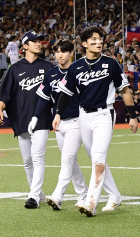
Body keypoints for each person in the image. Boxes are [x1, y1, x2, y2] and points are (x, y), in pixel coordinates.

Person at [55, 26, 139, 217]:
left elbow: (125, 91)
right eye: (93, 40)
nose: (98, 42)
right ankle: (115, 195)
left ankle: (91, 202)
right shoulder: (76, 67)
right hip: (83, 116)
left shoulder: (111, 63)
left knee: (99, 156)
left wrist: (132, 115)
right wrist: (58, 113)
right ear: (84, 44)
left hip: (104, 114)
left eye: (100, 39)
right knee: (96, 159)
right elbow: (66, 93)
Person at [0, 31, 54, 209]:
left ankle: (33, 196)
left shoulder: (48, 67)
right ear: (24, 46)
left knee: (37, 157)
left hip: (41, 119)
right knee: (27, 159)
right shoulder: (15, 68)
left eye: (39, 41)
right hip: (21, 119)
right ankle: (38, 193)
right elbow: (5, 93)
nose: (38, 43)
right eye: (33, 41)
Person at [31, 39, 87, 210]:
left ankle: (58, 196)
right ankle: (83, 193)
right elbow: (44, 98)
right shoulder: (51, 73)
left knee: (67, 159)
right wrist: (35, 117)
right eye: (57, 52)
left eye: (63, 51)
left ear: (71, 53)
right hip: (59, 123)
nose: (60, 55)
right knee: (72, 161)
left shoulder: (79, 70)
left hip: (77, 120)